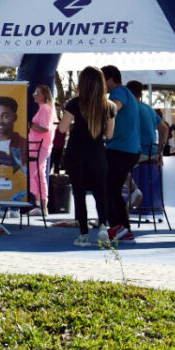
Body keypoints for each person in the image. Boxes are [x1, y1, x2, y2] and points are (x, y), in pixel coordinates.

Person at [59, 67, 114, 247]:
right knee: (101, 192)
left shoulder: (74, 103)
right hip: (97, 153)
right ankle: (104, 228)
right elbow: (109, 134)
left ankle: (83, 234)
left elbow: (61, 128)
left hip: (76, 153)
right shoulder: (109, 106)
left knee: (79, 194)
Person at [102, 65, 140, 243]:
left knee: (109, 188)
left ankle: (120, 226)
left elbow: (114, 108)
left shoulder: (118, 93)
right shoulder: (126, 93)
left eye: (102, 81)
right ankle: (123, 228)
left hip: (120, 149)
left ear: (109, 79)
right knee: (113, 188)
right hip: (128, 149)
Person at [126, 80, 169, 210]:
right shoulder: (148, 108)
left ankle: (133, 190)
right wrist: (159, 151)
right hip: (151, 152)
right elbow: (164, 128)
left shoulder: (130, 109)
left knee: (113, 165)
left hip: (139, 153)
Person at [28, 85, 57, 216]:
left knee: (31, 172)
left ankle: (39, 204)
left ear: (44, 95)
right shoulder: (45, 108)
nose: (34, 95)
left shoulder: (45, 108)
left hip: (39, 146)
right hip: (38, 146)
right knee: (38, 174)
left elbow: (44, 128)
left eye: (37, 93)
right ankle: (42, 206)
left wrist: (31, 126)